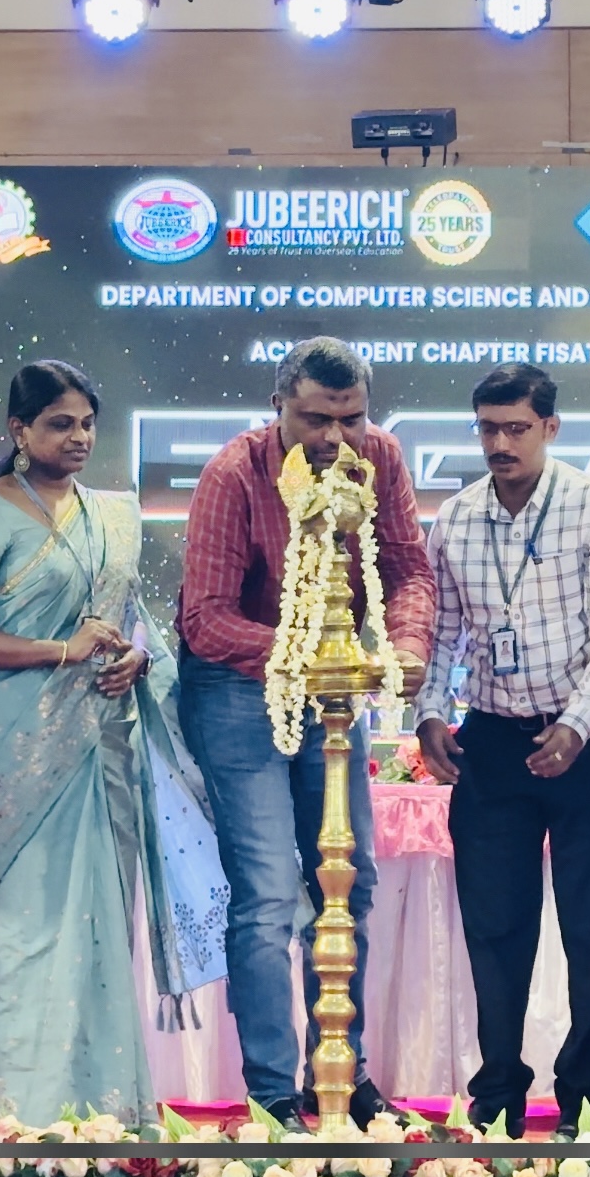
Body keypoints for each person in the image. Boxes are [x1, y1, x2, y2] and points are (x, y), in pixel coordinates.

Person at [0, 360, 229, 1125]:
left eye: (87, 423)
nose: (78, 437)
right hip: (11, 754)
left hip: (101, 746)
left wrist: (136, 657)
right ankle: (10, 1118)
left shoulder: (111, 516)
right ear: (18, 430)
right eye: (59, 423)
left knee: (99, 931)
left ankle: (103, 1112)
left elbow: (132, 625)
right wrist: (59, 651)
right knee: (20, 933)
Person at [176, 336, 437, 1127]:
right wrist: (311, 653)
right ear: (278, 408)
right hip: (236, 685)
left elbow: (407, 569)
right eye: (315, 418)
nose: (334, 436)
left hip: (331, 689)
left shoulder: (380, 458)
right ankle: (271, 1094)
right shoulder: (233, 474)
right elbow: (205, 621)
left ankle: (343, 1074)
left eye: (350, 418)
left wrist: (407, 645)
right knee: (264, 892)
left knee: (349, 881)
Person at [412, 364, 590, 1139]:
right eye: (487, 429)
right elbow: (442, 632)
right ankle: (497, 1098)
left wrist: (575, 725)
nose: (500, 444)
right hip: (491, 741)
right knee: (494, 929)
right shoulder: (456, 518)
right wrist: (428, 713)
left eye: (516, 428)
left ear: (549, 427)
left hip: (587, 741)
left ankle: (586, 1100)